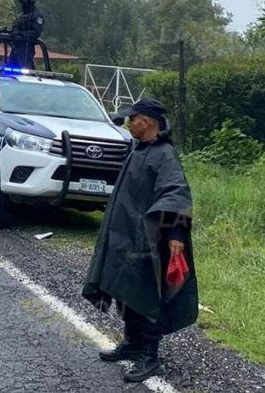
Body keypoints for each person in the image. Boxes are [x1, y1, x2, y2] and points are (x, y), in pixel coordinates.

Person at [82, 98, 197, 383]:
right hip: (126, 236)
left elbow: (177, 194)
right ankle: (132, 343)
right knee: (126, 289)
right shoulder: (139, 148)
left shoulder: (164, 154)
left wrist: (176, 235)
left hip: (149, 240)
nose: (127, 123)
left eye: (130, 119)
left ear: (145, 121)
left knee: (146, 293)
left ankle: (149, 356)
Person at [7, 0, 44, 69]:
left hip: (26, 49)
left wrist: (21, 34)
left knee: (26, 72)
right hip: (15, 48)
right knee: (9, 71)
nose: (22, 5)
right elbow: (14, 29)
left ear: (30, 3)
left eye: (24, 3)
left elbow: (36, 33)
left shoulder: (36, 15)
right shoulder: (20, 16)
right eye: (22, 3)